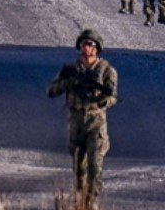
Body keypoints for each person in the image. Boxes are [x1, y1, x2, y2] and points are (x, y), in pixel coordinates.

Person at [46, 28, 118, 200]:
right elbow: (51, 91)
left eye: (90, 44)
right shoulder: (70, 69)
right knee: (79, 167)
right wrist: (68, 83)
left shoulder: (107, 71)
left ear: (96, 48)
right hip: (76, 120)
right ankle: (80, 202)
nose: (86, 48)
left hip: (96, 120)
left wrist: (103, 101)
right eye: (83, 44)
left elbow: (112, 97)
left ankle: (91, 200)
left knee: (95, 164)